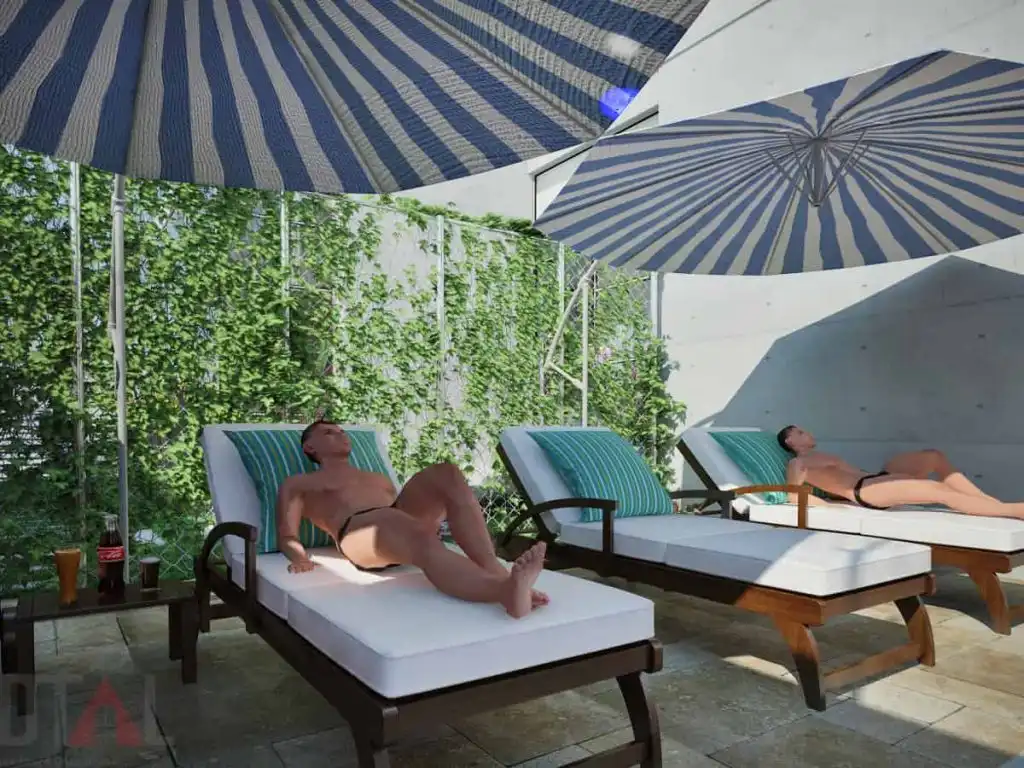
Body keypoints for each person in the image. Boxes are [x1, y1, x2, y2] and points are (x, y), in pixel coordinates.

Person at [275, 420, 549, 618]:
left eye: (341, 431)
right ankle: (503, 591)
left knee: (447, 473)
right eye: (329, 432)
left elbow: (411, 513)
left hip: (396, 522)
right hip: (358, 534)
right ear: (310, 446)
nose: (340, 434)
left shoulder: (377, 479)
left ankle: (500, 575)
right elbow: (287, 534)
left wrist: (431, 520)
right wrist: (299, 557)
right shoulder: (300, 484)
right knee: (406, 526)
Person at [776, 425, 1024, 520]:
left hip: (876, 478)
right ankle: (1014, 510)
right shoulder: (798, 463)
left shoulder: (822, 455)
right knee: (938, 490)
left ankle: (991, 504)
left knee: (933, 456)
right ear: (790, 441)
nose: (808, 432)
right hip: (866, 491)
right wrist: (830, 508)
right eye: (800, 432)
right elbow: (793, 496)